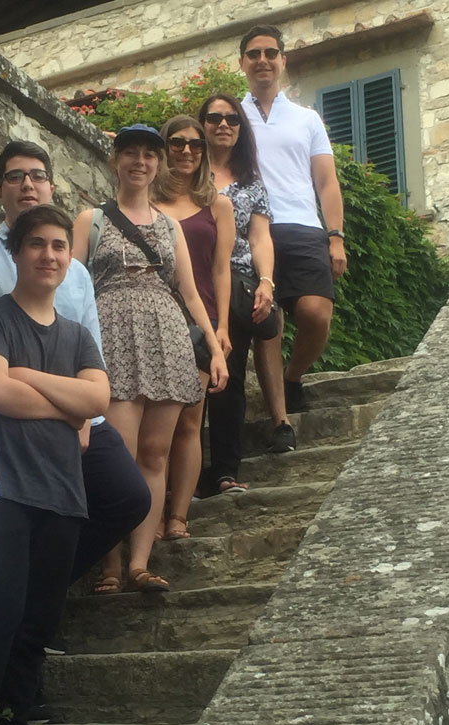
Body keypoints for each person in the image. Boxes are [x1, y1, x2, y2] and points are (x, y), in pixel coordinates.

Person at [0, 140, 151, 588]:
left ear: (51, 187)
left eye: (37, 175)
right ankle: (28, 601)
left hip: (76, 411)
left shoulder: (72, 269)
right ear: (0, 188)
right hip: (7, 412)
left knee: (128, 497)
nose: (28, 184)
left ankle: (47, 588)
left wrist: (82, 415)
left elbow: (89, 349)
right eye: (16, 176)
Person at [0, 204, 109, 725]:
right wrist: (69, 401)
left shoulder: (76, 335)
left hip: (63, 497)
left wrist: (35, 379)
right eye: (37, 245)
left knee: (34, 630)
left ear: (70, 259)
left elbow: (99, 396)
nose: (49, 255)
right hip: (6, 494)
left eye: (59, 246)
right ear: (16, 253)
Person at [73, 123, 228, 591]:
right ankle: (109, 564)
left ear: (157, 165)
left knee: (156, 454)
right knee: (118, 455)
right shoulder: (91, 220)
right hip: (112, 335)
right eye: (130, 153)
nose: (139, 161)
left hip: (167, 336)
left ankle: (139, 562)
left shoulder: (170, 226)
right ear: (114, 160)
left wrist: (215, 349)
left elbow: (189, 291)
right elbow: (73, 287)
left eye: (148, 154)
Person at [239, 25, 347, 413]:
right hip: (250, 228)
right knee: (268, 324)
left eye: (271, 53)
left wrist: (336, 236)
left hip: (303, 226)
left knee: (316, 312)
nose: (262, 60)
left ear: (283, 61)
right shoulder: (231, 117)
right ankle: (279, 418)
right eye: (254, 54)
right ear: (242, 63)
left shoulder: (307, 119)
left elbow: (327, 182)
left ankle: (293, 376)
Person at [198, 93, 294, 493]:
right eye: (215, 117)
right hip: (189, 283)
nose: (224, 124)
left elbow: (260, 239)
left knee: (228, 379)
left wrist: (267, 282)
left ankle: (223, 470)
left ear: (241, 129)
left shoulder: (253, 185)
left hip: (234, 284)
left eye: (233, 119)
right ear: (201, 123)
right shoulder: (186, 174)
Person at [152, 114, 235, 532]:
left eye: (196, 144)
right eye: (177, 143)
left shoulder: (217, 205)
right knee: (154, 426)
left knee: (189, 421)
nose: (187, 150)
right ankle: (153, 508)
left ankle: (179, 515)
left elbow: (222, 269)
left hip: (200, 323)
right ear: (164, 148)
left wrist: (221, 327)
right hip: (151, 323)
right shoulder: (146, 202)